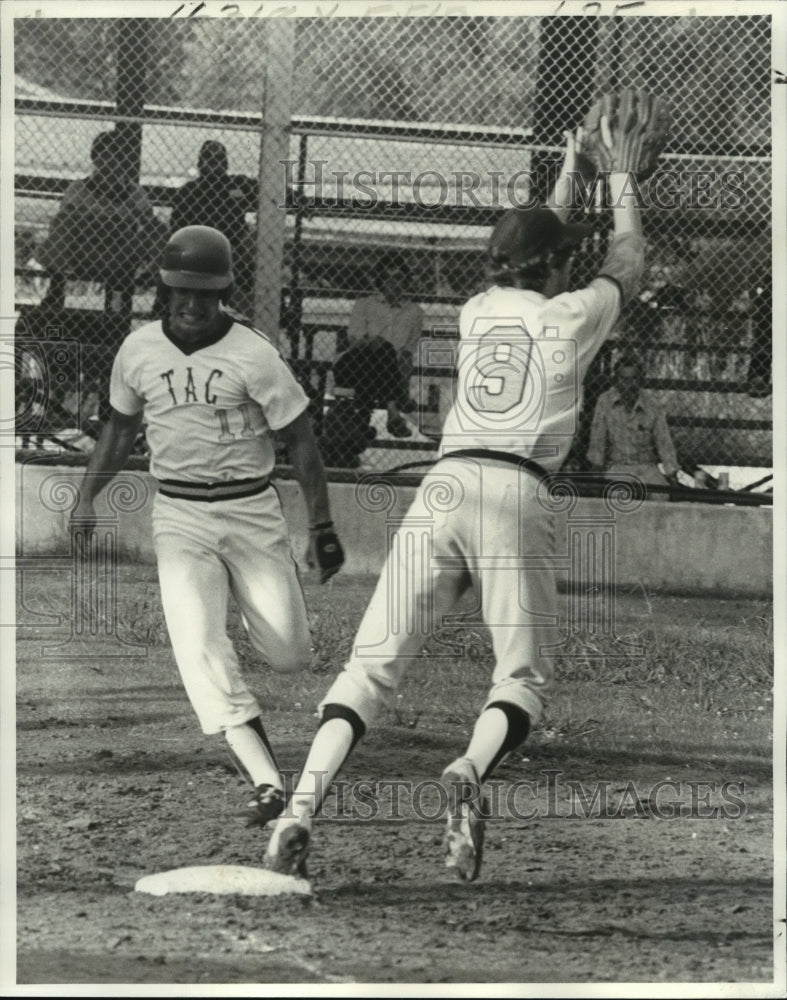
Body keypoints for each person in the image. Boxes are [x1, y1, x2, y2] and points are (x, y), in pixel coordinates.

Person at [263, 129, 647, 882]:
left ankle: (298, 811)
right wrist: (622, 177)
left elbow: (536, 249)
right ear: (555, 267)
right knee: (521, 681)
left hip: (441, 486)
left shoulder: (476, 311)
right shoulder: (568, 316)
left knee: (368, 669)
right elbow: (626, 261)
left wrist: (567, 171)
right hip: (514, 491)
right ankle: (469, 770)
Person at [69, 225, 344, 830]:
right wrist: (88, 495)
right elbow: (118, 430)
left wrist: (320, 525)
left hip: (252, 510)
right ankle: (268, 781)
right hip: (179, 514)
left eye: (205, 293)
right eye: (180, 292)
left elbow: (300, 438)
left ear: (224, 291)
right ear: (164, 290)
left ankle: (250, 606)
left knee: (290, 654)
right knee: (197, 645)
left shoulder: (254, 354)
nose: (191, 305)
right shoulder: (139, 349)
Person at [36, 129, 165, 311]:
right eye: (104, 157)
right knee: (63, 221)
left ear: (123, 163)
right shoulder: (79, 188)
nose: (109, 164)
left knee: (156, 230)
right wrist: (97, 219)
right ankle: (56, 290)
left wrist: (122, 210)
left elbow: (152, 227)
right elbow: (63, 223)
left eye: (116, 158)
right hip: (83, 253)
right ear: (95, 159)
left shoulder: (134, 192)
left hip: (118, 255)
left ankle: (143, 291)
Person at [169, 140, 256, 318]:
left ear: (225, 163)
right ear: (201, 163)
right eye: (209, 158)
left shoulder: (237, 185)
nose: (214, 164)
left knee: (246, 272)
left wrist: (298, 199)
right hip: (196, 256)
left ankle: (255, 317)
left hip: (232, 254)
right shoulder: (189, 191)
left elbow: (271, 191)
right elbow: (176, 230)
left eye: (219, 159)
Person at [346, 253, 425, 438]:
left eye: (398, 277)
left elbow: (409, 349)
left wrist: (385, 350)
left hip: (393, 368)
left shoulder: (415, 312)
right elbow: (355, 341)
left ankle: (362, 420)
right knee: (382, 351)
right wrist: (376, 344)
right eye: (387, 277)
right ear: (380, 280)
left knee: (388, 354)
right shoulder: (364, 304)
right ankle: (393, 411)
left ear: (406, 281)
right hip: (362, 359)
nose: (392, 283)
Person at [586, 352, 679, 487]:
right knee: (619, 497)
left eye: (634, 378)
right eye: (624, 379)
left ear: (641, 380)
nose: (629, 385)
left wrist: (671, 473)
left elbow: (664, 441)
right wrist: (596, 470)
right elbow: (597, 439)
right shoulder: (605, 402)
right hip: (617, 466)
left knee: (660, 497)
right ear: (616, 380)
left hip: (647, 467)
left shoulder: (652, 405)